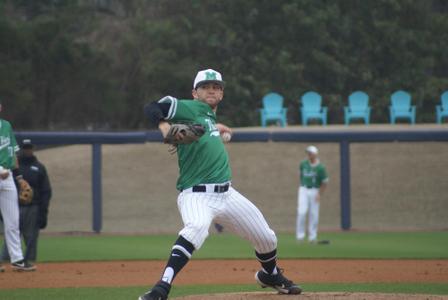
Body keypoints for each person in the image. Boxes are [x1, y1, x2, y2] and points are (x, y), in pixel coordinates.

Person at [140, 69, 301, 300]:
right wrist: (165, 127)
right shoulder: (188, 107)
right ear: (195, 93)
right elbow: (152, 107)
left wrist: (215, 127)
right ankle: (161, 288)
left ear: (222, 94)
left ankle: (270, 275)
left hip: (227, 194)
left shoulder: (207, 117)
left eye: (216, 87)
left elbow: (201, 130)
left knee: (267, 238)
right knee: (195, 229)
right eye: (205, 87)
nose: (212, 90)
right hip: (196, 195)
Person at [1, 139, 52, 263]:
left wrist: (43, 212)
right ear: (20, 149)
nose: (27, 150)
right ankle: (7, 261)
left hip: (32, 207)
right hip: (13, 206)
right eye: (25, 148)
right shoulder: (11, 167)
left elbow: (46, 191)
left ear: (33, 149)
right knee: (11, 233)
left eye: (29, 148)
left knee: (31, 237)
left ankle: (28, 262)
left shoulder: (39, 167)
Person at [0, 101, 35, 272]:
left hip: (7, 179)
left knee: (13, 221)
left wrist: (19, 178)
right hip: (1, 173)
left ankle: (17, 259)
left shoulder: (6, 125)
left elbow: (13, 153)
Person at [296, 145, 329, 243]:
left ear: (315, 154)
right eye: (308, 153)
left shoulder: (321, 168)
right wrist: (303, 186)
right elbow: (301, 175)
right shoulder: (303, 164)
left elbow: (325, 182)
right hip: (304, 189)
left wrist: (319, 193)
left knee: (314, 214)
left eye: (310, 153)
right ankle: (300, 236)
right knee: (302, 211)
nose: (309, 155)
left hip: (315, 190)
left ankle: (312, 237)